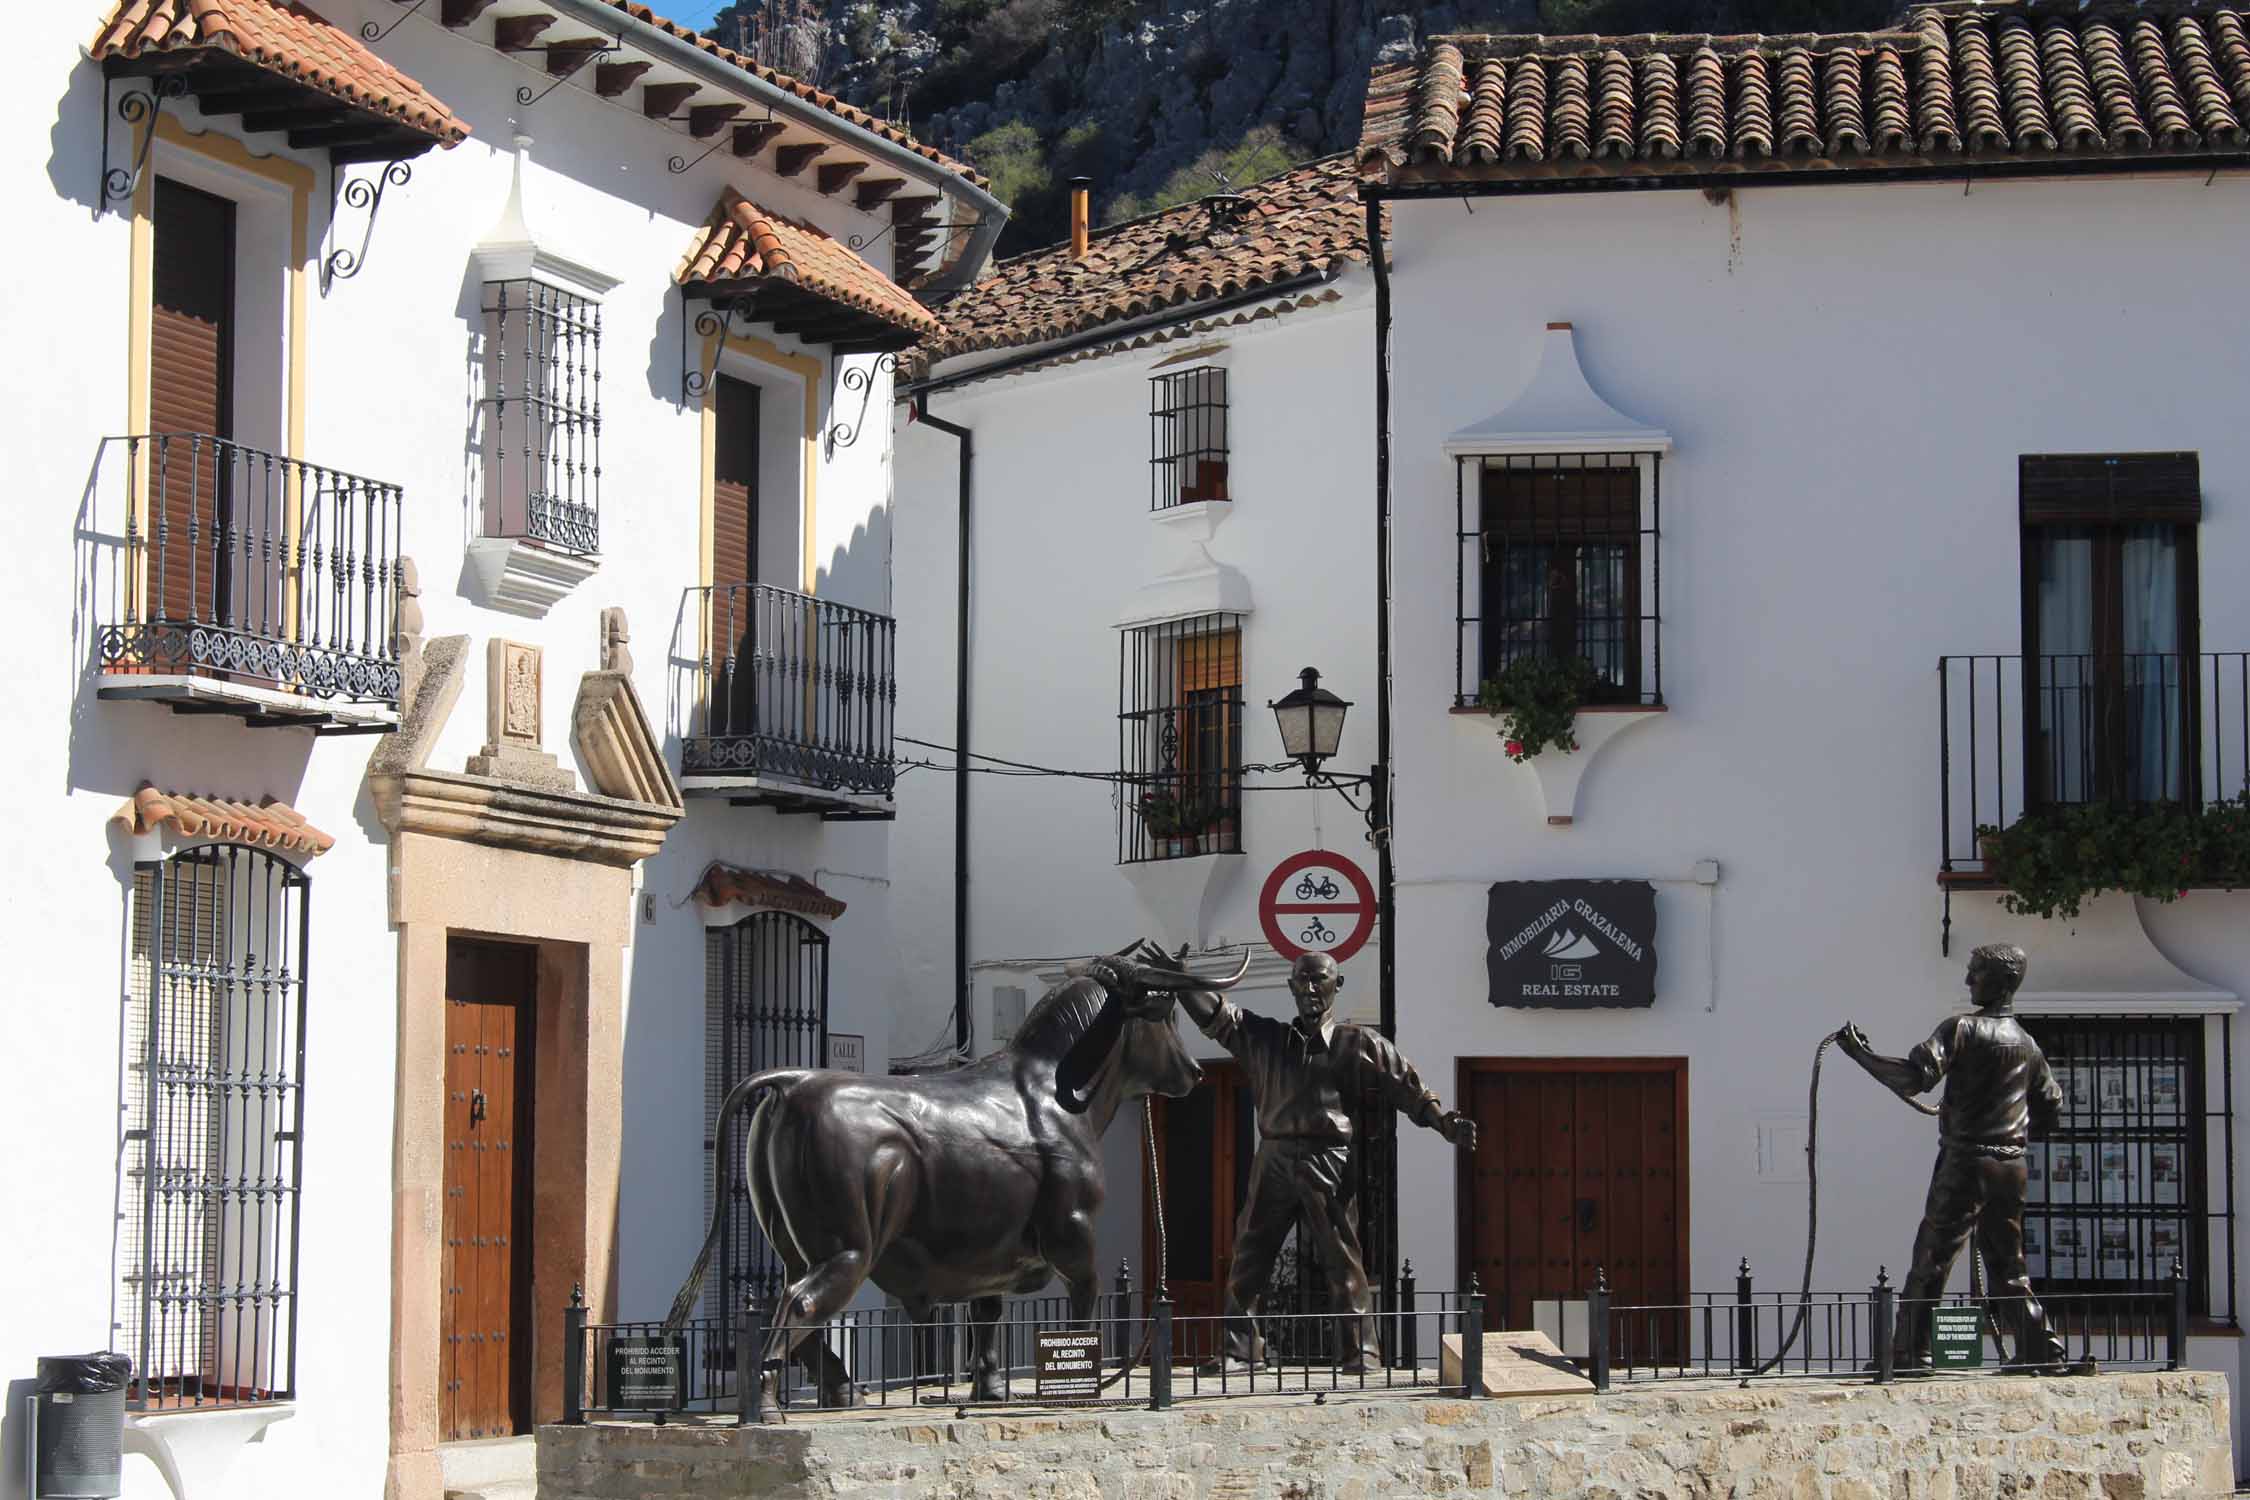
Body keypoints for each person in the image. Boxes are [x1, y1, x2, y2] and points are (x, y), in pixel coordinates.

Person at [1148, 946, 1476, 1374]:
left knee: (1341, 1258)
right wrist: (1184, 980)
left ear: (1336, 985)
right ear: (1290, 987)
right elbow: (1218, 1018)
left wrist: (1443, 1122)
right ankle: (1239, 1350)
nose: (1309, 988)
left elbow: (1407, 1085)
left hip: (1330, 1158)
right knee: (1250, 1252)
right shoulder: (1265, 1038)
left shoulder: (1358, 1043)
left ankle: (1362, 1351)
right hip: (1275, 1155)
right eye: (1301, 980)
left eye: (1318, 978)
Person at [1838, 943, 2072, 1372]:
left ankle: (1911, 1352)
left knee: (1932, 1255)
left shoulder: (1962, 1029)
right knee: (2008, 1264)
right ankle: (2043, 1348)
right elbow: (2052, 1107)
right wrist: (2010, 1123)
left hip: (1968, 1161)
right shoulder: (2027, 1044)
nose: (1968, 981)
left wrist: (1860, 1056)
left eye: (1976, 973)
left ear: (1998, 982)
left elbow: (1913, 1078)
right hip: (2011, 1165)